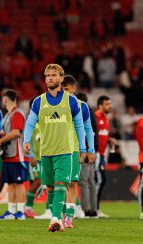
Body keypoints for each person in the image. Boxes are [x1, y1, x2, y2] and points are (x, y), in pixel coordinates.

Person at [23, 64, 86, 232]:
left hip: (65, 151)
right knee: (50, 188)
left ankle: (55, 219)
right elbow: (30, 122)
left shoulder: (71, 100)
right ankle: (59, 214)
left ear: (60, 78)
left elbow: (79, 126)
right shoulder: (39, 101)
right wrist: (26, 140)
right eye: (48, 75)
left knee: (60, 185)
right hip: (46, 152)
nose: (50, 78)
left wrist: (83, 148)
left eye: (54, 75)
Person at [61, 75, 95, 228]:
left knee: (73, 183)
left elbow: (88, 129)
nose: (65, 92)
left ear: (74, 89)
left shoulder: (82, 106)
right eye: (63, 89)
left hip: (75, 150)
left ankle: (69, 217)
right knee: (60, 184)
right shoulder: (56, 105)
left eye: (67, 89)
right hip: (58, 149)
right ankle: (59, 214)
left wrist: (90, 150)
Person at [0, 90, 29, 220]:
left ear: (4, 99)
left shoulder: (17, 113)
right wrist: (1, 134)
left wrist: (0, 141)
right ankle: (11, 211)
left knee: (19, 183)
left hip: (17, 154)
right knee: (11, 183)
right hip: (8, 154)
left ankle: (20, 211)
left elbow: (16, 132)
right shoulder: (8, 115)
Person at [76, 92, 99, 218]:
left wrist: (84, 151)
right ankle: (93, 209)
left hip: (84, 151)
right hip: (91, 150)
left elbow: (85, 131)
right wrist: (94, 150)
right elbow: (94, 132)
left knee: (83, 181)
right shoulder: (91, 112)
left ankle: (85, 209)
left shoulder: (84, 112)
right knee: (90, 182)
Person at [24, 97, 42, 218]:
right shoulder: (30, 121)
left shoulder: (42, 120)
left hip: (43, 156)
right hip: (34, 157)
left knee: (37, 181)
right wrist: (31, 156)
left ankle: (26, 207)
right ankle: (27, 208)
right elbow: (27, 139)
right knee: (37, 181)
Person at [95, 95, 112, 218]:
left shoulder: (106, 119)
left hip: (101, 154)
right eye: (107, 104)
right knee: (100, 180)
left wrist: (110, 140)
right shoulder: (96, 117)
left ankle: (94, 208)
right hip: (95, 154)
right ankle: (94, 208)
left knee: (99, 180)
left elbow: (102, 135)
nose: (109, 106)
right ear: (100, 105)